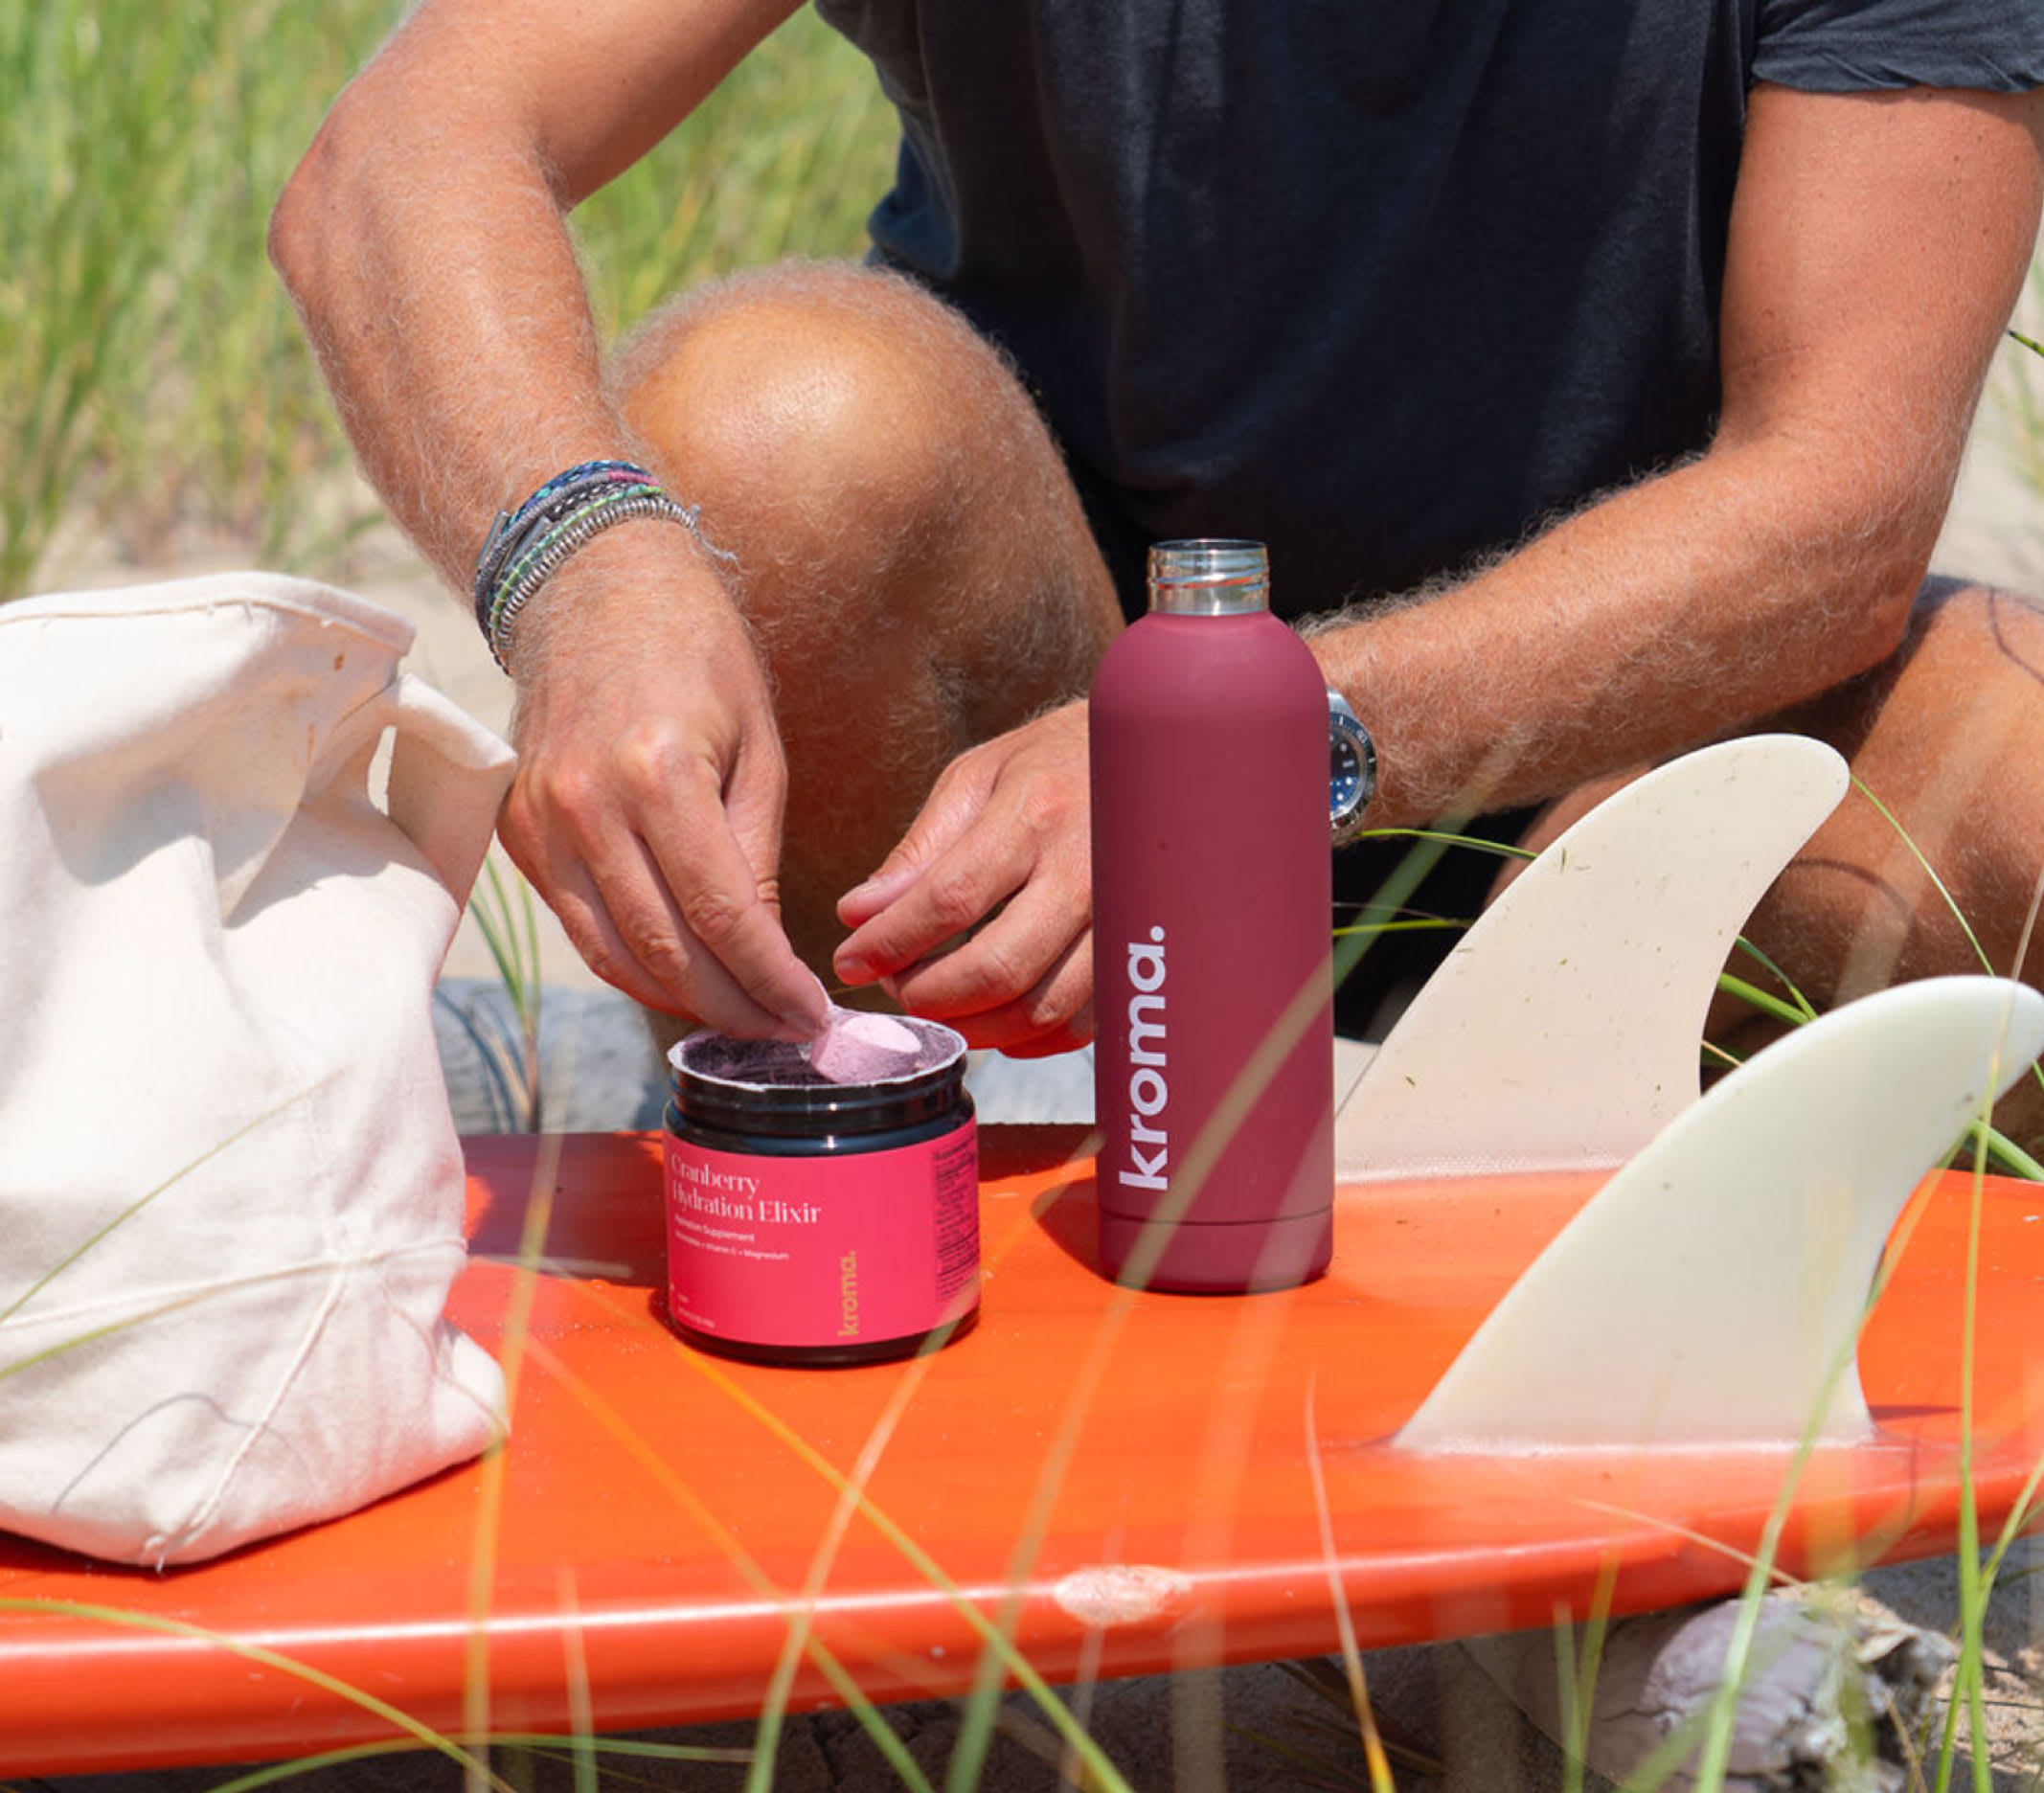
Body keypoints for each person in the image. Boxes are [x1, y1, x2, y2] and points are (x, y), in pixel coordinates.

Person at [270, 0, 2044, 1114]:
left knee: (2019, 803)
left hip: (1630, 762)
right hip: (1024, 781)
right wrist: (586, 567)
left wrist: (1255, 738)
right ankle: (878, 1171)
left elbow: (1833, 505)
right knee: (763, 443)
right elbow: (408, 152)